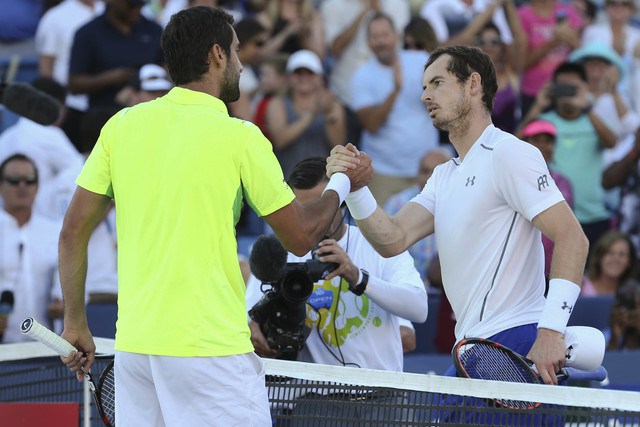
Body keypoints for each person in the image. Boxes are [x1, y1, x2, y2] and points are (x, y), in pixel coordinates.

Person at [58, 6, 370, 426]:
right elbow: (300, 236)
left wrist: (75, 322)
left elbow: (74, 229)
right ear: (218, 55)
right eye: (238, 52)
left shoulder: (121, 126)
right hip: (208, 351)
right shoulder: (239, 136)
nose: (242, 64)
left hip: (136, 352)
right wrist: (341, 182)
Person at [327, 45, 590, 387]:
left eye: (437, 83)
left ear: (473, 84)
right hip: (470, 351)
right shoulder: (443, 175)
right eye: (423, 87)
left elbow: (573, 238)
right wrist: (358, 188)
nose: (425, 96)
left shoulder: (509, 152)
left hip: (517, 342)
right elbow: (392, 239)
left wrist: (552, 330)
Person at [246, 157, 427, 423]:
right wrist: (257, 332)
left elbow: (419, 308)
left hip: (384, 398)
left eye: (319, 208)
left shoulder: (379, 244)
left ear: (340, 202)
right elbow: (248, 325)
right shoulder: (280, 253)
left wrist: (358, 277)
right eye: (302, 210)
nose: (311, 220)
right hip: (315, 403)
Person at [522, 62, 617, 251]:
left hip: (594, 216)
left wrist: (587, 107)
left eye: (572, 88)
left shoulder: (593, 119)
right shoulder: (544, 122)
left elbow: (611, 142)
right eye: (561, 87)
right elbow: (515, 146)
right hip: (555, 221)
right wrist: (538, 106)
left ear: (585, 89)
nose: (566, 93)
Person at [350, 12, 439, 206]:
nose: (381, 41)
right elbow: (371, 124)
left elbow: (441, 104)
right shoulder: (362, 76)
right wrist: (396, 90)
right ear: (368, 42)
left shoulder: (421, 61)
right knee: (382, 233)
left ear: (396, 36)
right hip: (383, 174)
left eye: (385, 34)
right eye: (375, 37)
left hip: (425, 171)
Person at [0, 154, 61, 343]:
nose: (22, 186)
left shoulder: (55, 231)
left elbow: (76, 288)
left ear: (37, 186)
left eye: (29, 180)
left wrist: (65, 305)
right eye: (14, 180)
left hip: (46, 350)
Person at [68, 0, 164, 109]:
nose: (137, 9)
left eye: (141, 4)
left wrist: (146, 78)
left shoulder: (154, 30)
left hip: (150, 110)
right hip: (104, 113)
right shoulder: (88, 33)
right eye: (131, 5)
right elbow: (74, 83)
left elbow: (167, 68)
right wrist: (111, 78)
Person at [267, 49, 346, 179]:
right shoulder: (277, 104)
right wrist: (311, 114)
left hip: (323, 181)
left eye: (310, 73)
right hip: (288, 180)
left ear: (319, 77)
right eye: (298, 73)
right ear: (289, 77)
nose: (304, 78)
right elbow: (280, 140)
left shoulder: (333, 105)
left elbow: (338, 145)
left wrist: (328, 114)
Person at [384, 148, 451, 284]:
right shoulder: (397, 203)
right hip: (405, 286)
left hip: (447, 290)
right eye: (425, 171)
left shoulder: (461, 203)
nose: (429, 178)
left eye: (436, 173)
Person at [520, 119, 574, 282]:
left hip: (552, 271)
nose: (543, 147)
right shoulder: (512, 179)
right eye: (537, 141)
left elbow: (564, 226)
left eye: (548, 141)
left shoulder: (562, 182)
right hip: (519, 272)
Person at [582, 230, 638, 296]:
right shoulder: (580, 286)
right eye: (610, 253)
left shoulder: (634, 293)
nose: (616, 258)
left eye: (622, 254)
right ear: (599, 257)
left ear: (629, 261)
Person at [607, 278, 640, 350]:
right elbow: (606, 360)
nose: (627, 311)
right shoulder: (601, 338)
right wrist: (614, 340)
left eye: (632, 306)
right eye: (623, 304)